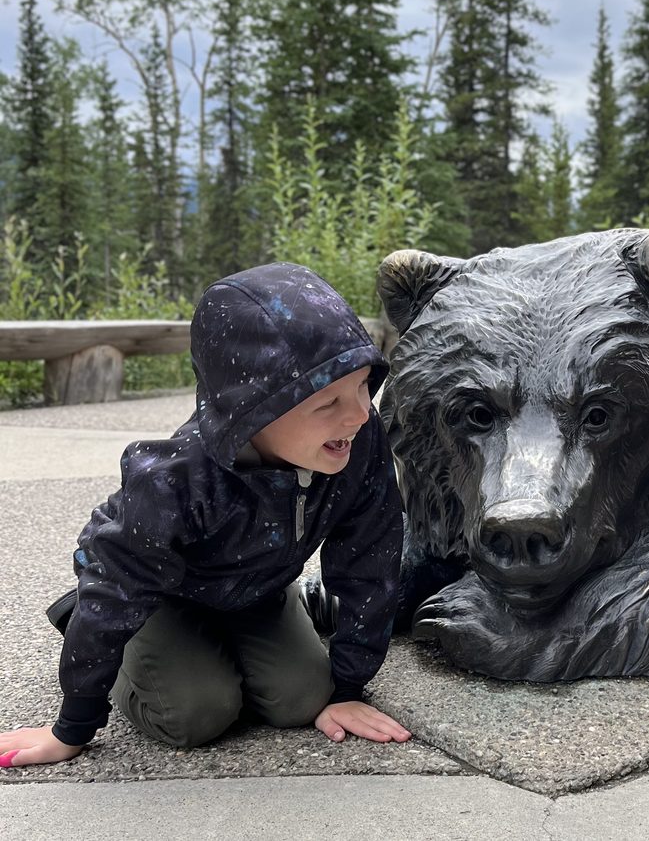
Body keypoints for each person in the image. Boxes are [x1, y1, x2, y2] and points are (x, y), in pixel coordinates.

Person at [0, 262, 411, 769]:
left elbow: (371, 551)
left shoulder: (356, 436)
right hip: (160, 591)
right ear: (252, 409)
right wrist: (73, 726)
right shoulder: (175, 479)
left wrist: (349, 685)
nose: (357, 414)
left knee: (303, 700)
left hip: (256, 584)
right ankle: (85, 620)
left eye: (363, 385)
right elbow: (119, 590)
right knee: (195, 714)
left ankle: (288, 608)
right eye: (327, 401)